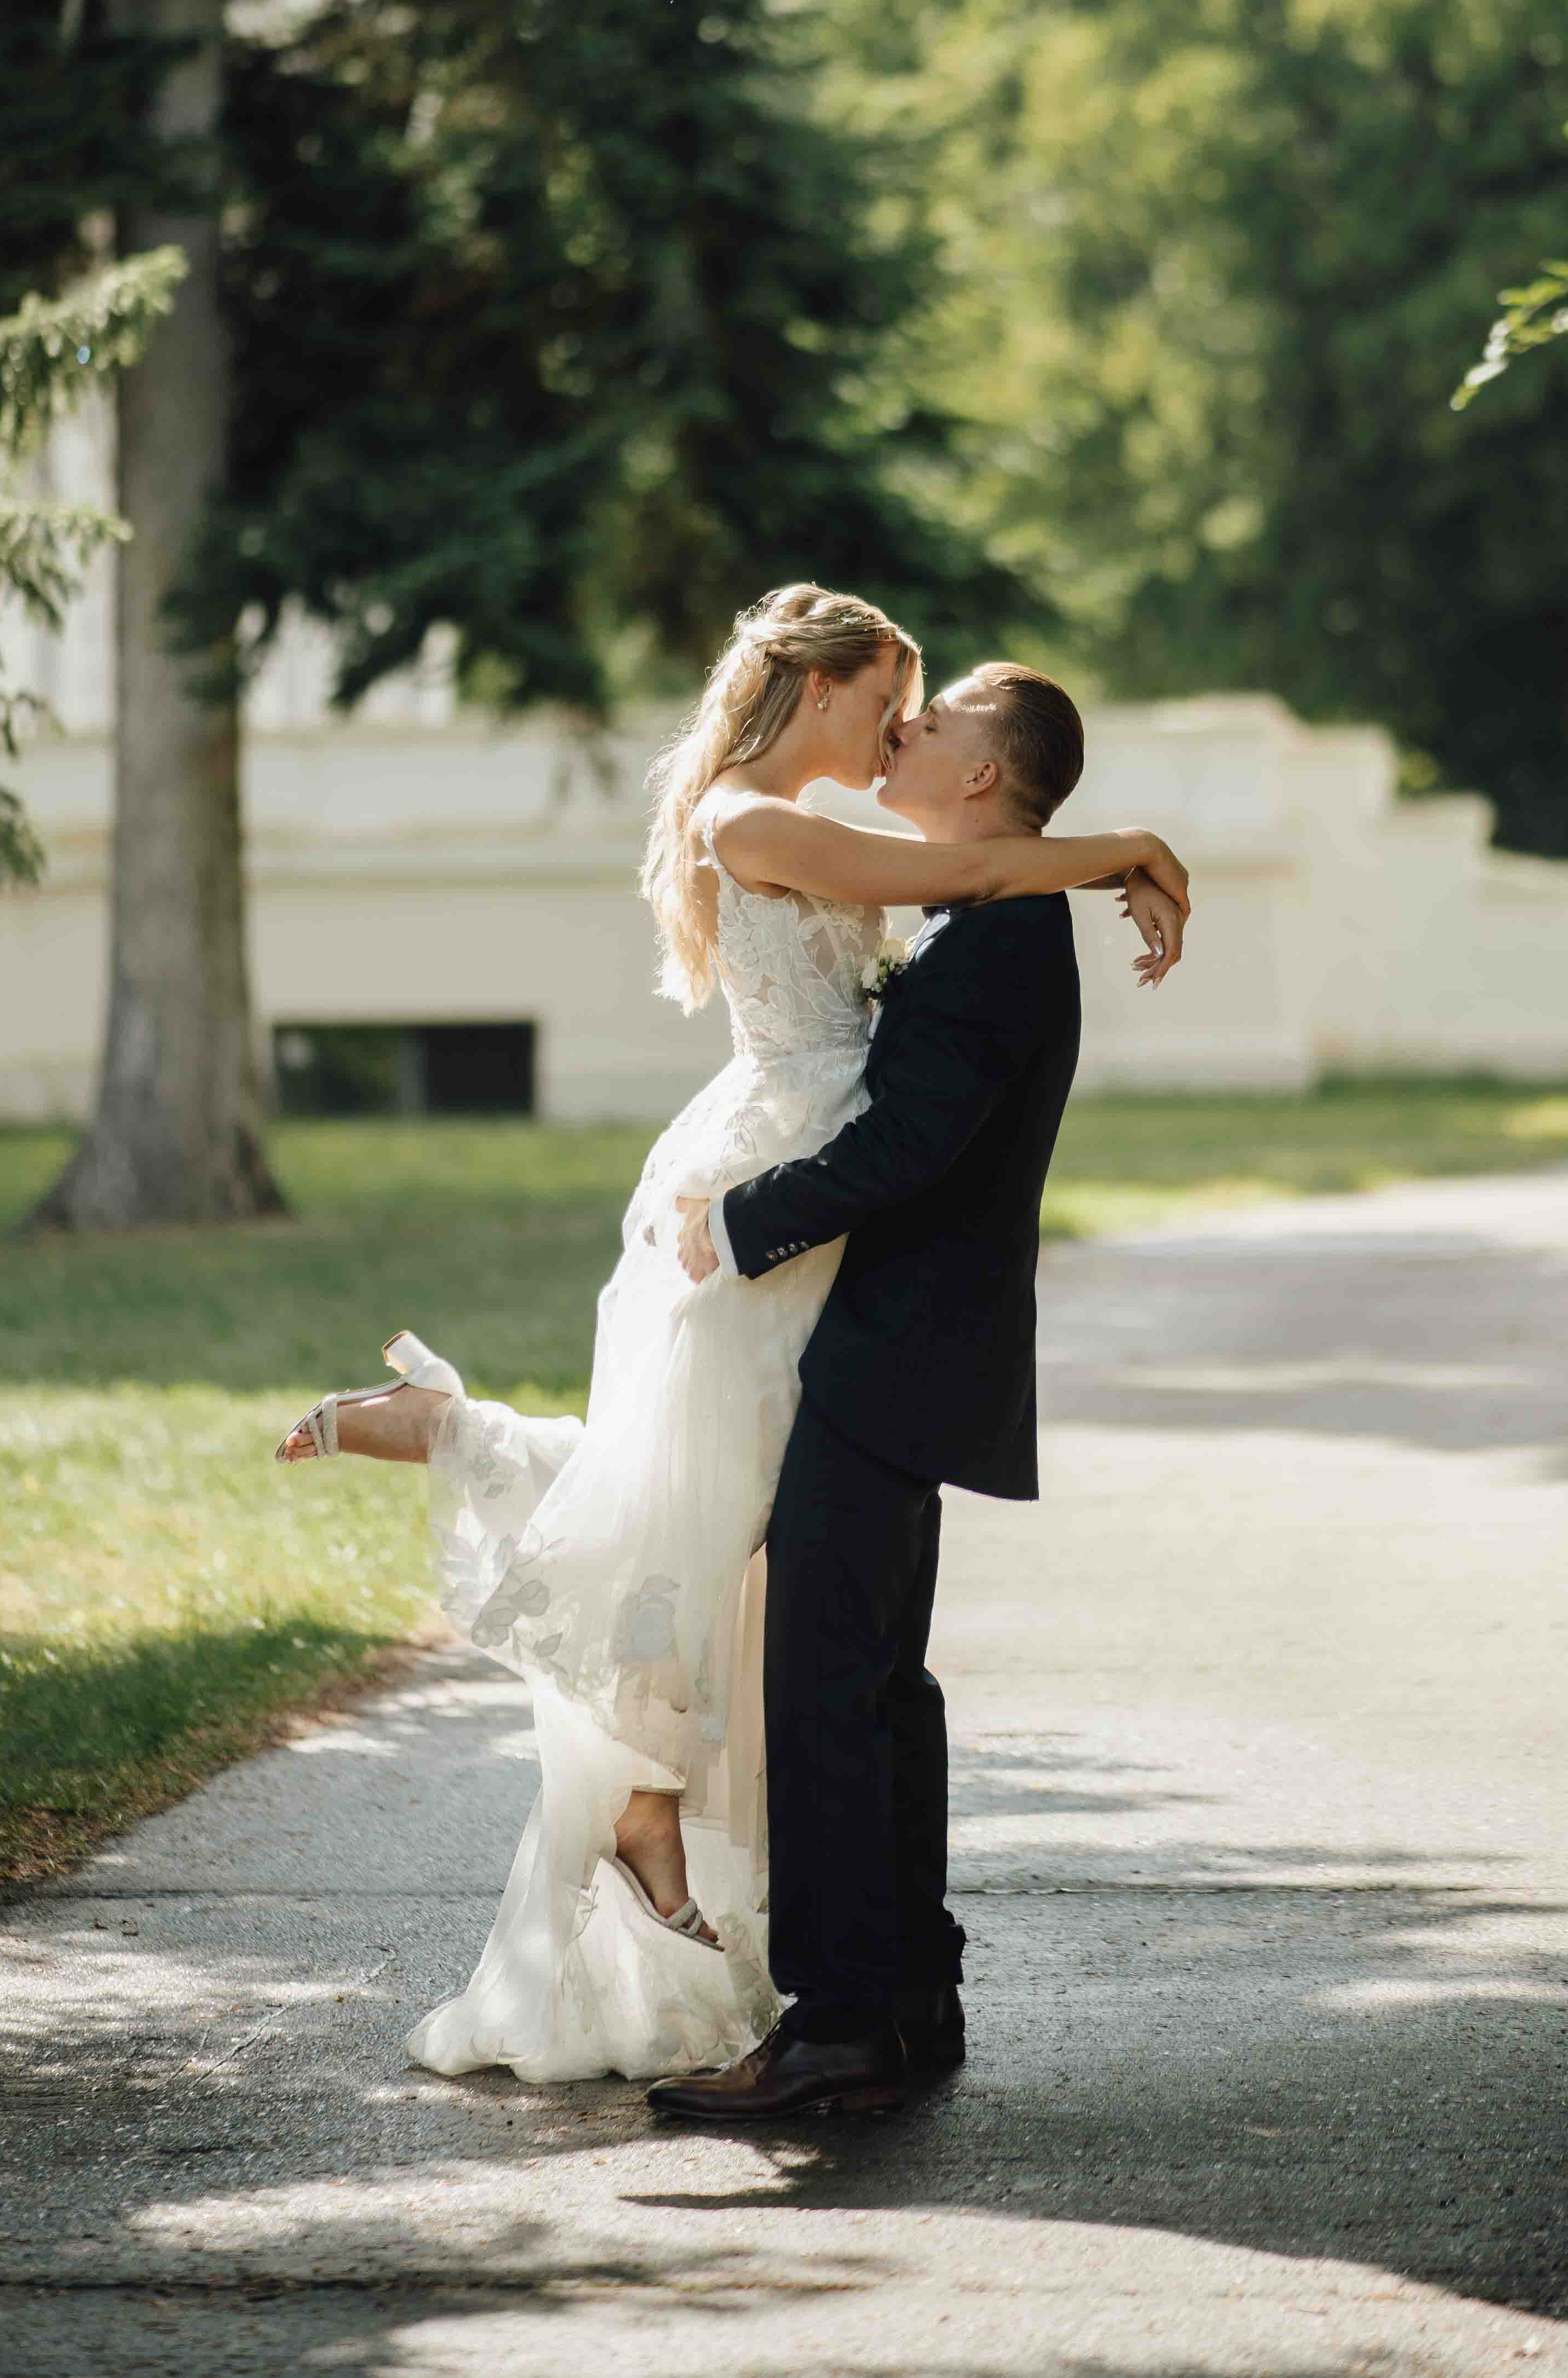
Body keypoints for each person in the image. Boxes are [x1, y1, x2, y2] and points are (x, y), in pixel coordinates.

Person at [272, 584, 1188, 2084]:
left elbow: (979, 872)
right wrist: (1135, 853)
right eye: (890, 699)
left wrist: (1122, 859)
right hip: (789, 1207)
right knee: (748, 1569)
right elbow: (980, 860)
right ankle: (776, 1917)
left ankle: (857, 1985)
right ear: (819, 691)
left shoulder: (969, 903)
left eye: (926, 716)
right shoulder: (758, 824)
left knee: (816, 1633)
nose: (903, 726)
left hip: (832, 1245)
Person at [646, 660, 1098, 2121]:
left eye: (939, 716)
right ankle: (906, 1988)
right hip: (903, 1344)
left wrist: (741, 1220)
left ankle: (839, 2016)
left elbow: (911, 1145)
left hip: (892, 1345)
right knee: (879, 1685)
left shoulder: (998, 936)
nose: (908, 726)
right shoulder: (982, 916)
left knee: (829, 1687)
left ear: (980, 777)